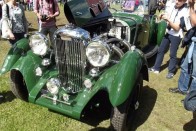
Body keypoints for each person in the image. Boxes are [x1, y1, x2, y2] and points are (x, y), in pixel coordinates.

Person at [149, 0, 188, 79]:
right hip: (168, 32)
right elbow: (169, 15)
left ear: (184, 2)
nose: (176, 2)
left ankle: (171, 71)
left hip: (176, 35)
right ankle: (156, 68)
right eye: (176, 0)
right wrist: (163, 15)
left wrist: (168, 20)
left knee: (172, 54)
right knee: (161, 50)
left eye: (179, 1)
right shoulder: (173, 6)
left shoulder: (185, 11)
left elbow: (177, 28)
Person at [169, 0, 196, 94]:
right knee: (185, 67)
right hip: (193, 41)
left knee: (195, 73)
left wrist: (192, 6)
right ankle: (182, 89)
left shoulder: (192, 5)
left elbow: (194, 23)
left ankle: (191, 99)